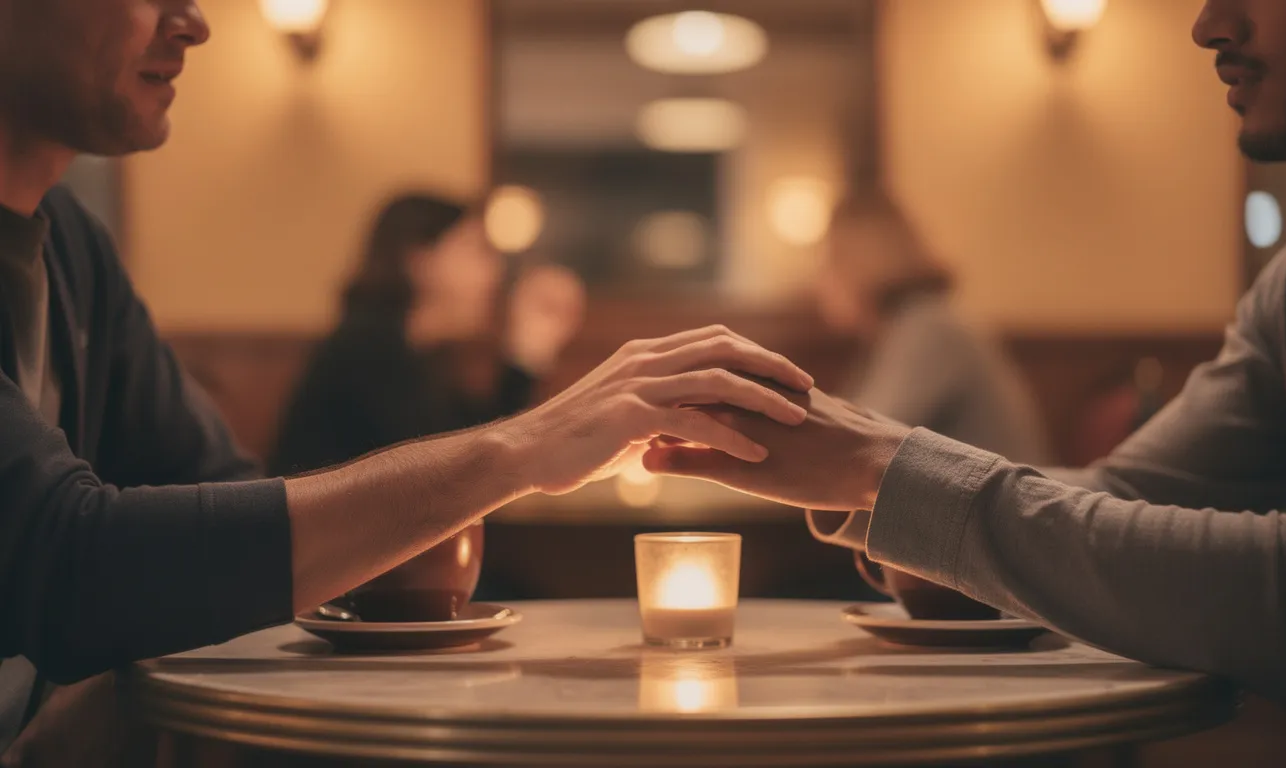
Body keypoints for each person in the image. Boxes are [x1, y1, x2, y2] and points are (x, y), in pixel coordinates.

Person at [0, 1, 815, 761]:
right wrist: (521, 446)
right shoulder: (368, 346)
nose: (194, 22)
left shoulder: (75, 248)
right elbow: (66, 563)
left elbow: (215, 485)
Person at [647, 0, 1286, 738]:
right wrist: (879, 489)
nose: (1207, 24)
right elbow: (1126, 492)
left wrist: (884, 471)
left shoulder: (929, 329)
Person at [271, 194, 586, 476]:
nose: (494, 271)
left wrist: (528, 350)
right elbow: (456, 468)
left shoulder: (419, 351)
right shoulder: (367, 348)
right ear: (418, 259)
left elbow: (478, 441)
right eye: (476, 251)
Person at [818, 189, 1051, 465]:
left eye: (828, 263)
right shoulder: (908, 327)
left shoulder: (929, 330)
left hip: (1002, 493)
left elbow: (857, 441)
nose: (819, 282)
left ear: (856, 265)